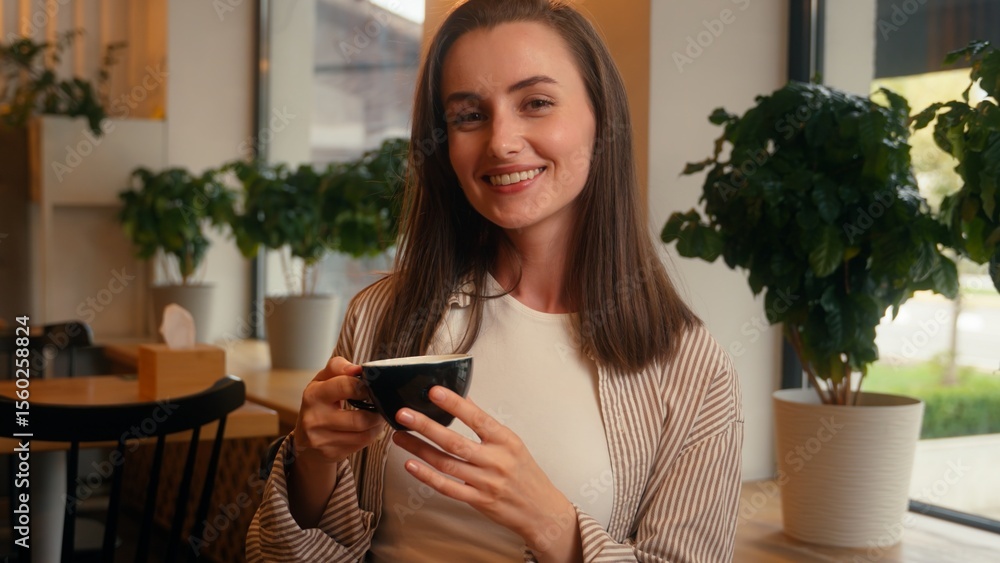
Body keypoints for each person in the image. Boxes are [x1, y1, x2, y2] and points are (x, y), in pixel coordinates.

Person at [247, 0, 743, 561]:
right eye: (468, 115)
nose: (501, 141)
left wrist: (552, 524)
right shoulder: (382, 314)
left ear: (602, 117)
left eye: (536, 103)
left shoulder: (694, 368)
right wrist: (312, 460)